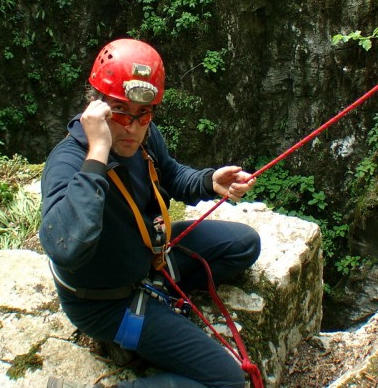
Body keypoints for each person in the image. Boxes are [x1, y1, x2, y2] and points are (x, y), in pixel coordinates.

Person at [40, 38, 262, 388]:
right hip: (106, 300)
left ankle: (158, 308)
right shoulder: (68, 162)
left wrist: (209, 181)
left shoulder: (145, 135)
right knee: (228, 382)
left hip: (149, 259)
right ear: (95, 107)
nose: (132, 127)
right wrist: (98, 152)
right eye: (119, 112)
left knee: (244, 244)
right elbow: (66, 247)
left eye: (143, 115)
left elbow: (171, 174)